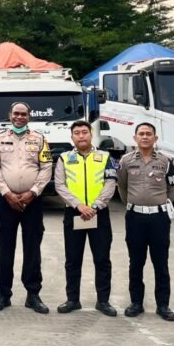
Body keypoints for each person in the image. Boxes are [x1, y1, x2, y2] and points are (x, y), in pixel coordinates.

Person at [0, 102, 53, 313]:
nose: (19, 117)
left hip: (32, 202)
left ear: (29, 117)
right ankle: (3, 294)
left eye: (23, 114)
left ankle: (33, 295)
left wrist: (33, 192)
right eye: (16, 113)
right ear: (10, 115)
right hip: (6, 202)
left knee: (32, 248)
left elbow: (46, 167)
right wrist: (7, 193)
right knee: (5, 248)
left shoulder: (40, 140)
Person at [54, 120, 118, 317]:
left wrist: (95, 206)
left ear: (91, 134)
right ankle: (73, 300)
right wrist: (79, 205)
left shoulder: (105, 157)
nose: (81, 136)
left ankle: (103, 301)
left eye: (84, 132)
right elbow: (60, 185)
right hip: (75, 213)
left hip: (99, 213)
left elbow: (110, 183)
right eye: (77, 133)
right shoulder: (64, 158)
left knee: (102, 259)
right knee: (73, 259)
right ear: (72, 137)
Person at [118, 122, 174, 322]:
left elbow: (173, 188)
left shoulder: (166, 161)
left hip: (159, 219)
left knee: (161, 262)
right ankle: (136, 303)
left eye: (149, 134)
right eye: (141, 134)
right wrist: (133, 204)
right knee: (136, 262)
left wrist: (160, 204)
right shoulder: (126, 161)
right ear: (135, 138)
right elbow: (122, 186)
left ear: (155, 138)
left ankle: (163, 305)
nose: (145, 137)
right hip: (135, 218)